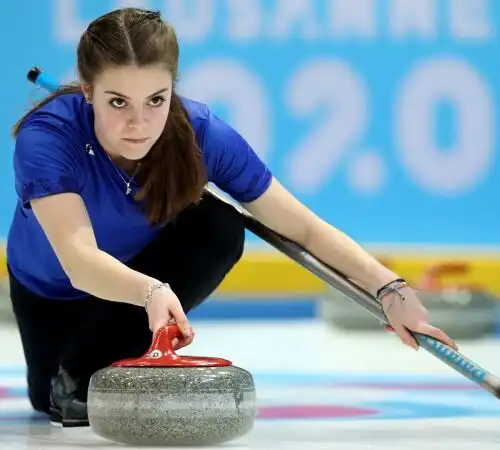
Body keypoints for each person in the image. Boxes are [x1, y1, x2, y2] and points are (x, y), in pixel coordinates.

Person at [7, 7, 457, 427]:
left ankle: (94, 364)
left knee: (219, 224)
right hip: (54, 296)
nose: (140, 123)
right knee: (47, 399)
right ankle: (74, 371)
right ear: (87, 90)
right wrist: (150, 291)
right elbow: (80, 260)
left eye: (156, 100)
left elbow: (300, 226)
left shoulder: (202, 133)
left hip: (135, 289)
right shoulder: (48, 138)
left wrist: (388, 288)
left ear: (173, 89)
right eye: (118, 102)